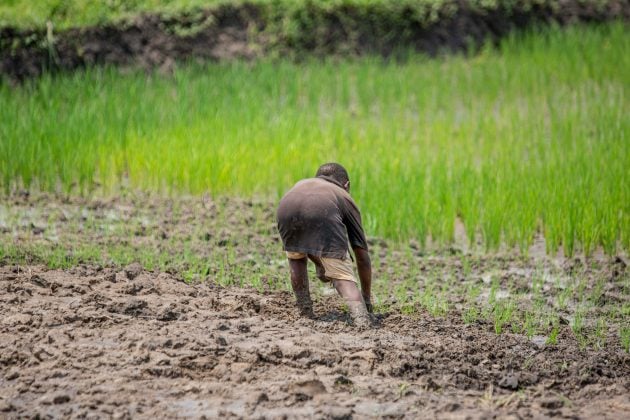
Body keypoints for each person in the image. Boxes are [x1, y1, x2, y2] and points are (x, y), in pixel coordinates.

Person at [276, 162, 373, 327]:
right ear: (346, 185)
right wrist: (366, 298)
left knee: (297, 259)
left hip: (286, 207)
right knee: (343, 278)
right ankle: (362, 320)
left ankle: (304, 311)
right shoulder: (343, 195)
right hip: (323, 210)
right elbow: (361, 255)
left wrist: (320, 264)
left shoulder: (303, 184)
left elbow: (309, 241)